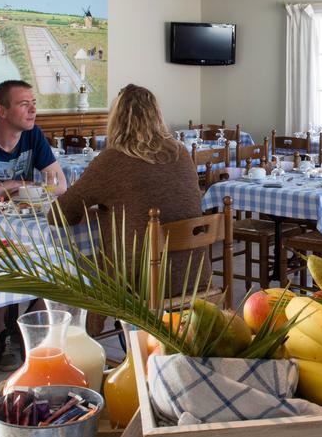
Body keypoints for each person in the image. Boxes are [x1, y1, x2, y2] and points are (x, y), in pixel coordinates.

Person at [53, 84, 207, 297]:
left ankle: (88, 324)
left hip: (143, 279)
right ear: (157, 116)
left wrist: (96, 214)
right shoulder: (181, 152)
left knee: (83, 269)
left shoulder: (113, 159)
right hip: (194, 272)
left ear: (116, 119)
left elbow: (59, 215)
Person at [0, 80, 68, 369]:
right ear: (1, 110)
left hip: (28, 222)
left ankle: (24, 328)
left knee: (63, 259)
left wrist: (6, 190)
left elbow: (60, 185)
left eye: (33, 103)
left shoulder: (35, 137)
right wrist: (18, 183)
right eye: (23, 104)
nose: (32, 110)